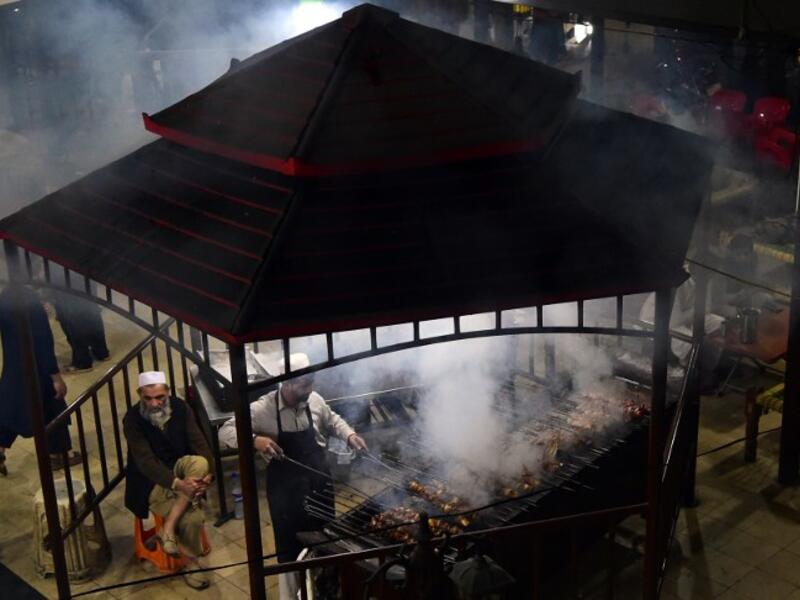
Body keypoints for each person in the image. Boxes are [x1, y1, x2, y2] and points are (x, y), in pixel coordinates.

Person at [218, 353, 368, 600]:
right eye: (303, 385)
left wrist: (349, 435)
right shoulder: (263, 408)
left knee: (325, 541)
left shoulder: (315, 400)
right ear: (285, 383)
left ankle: (324, 591)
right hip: (286, 492)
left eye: (311, 383)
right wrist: (255, 440)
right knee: (290, 550)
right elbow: (226, 430)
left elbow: (333, 420)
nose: (309, 389)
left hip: (319, 483)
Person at [123, 371, 215, 590]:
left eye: (160, 397)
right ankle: (190, 564)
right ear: (140, 395)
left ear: (167, 393)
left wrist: (208, 473)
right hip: (152, 481)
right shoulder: (133, 419)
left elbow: (199, 441)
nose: (155, 403)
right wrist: (178, 484)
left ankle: (168, 528)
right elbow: (146, 462)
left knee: (201, 463)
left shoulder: (181, 408)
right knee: (192, 519)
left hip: (182, 469)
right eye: (148, 398)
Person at [0, 283, 79, 476]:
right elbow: (43, 343)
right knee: (54, 407)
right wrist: (56, 376)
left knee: (11, 410)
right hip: (38, 370)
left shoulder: (6, 299)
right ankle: (58, 455)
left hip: (14, 365)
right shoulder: (31, 306)